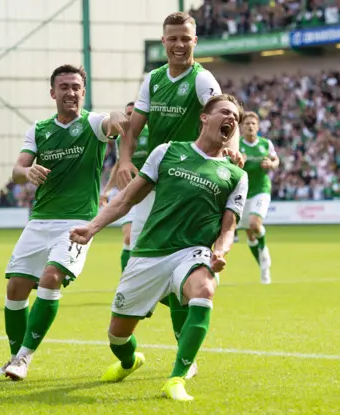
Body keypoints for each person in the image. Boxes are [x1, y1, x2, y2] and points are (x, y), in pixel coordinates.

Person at [71, 94, 248, 401]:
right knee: (118, 336)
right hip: (149, 253)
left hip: (192, 252)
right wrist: (92, 227)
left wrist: (220, 252)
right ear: (205, 118)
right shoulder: (167, 152)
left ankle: (177, 377)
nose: (231, 119)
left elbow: (228, 227)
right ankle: (129, 360)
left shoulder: (236, 175)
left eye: (236, 116)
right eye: (224, 112)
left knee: (204, 289)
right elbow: (127, 199)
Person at [115, 11, 244, 379]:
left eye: (185, 38)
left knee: (182, 271)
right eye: (172, 38)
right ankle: (127, 344)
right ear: (164, 41)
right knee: (134, 257)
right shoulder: (153, 80)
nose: (178, 45)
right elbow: (135, 126)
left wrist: (231, 148)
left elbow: (225, 113)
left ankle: (184, 353)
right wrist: (124, 159)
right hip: (155, 176)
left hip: (188, 185)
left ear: (195, 41)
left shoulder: (202, 78)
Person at [0, 64, 127, 380]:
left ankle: (24, 358)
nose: (71, 92)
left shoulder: (92, 124)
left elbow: (113, 121)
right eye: (64, 87)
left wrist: (118, 118)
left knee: (50, 278)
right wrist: (28, 173)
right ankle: (12, 359)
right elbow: (17, 170)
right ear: (53, 93)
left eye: (76, 86)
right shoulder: (38, 129)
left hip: (76, 222)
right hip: (39, 222)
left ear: (83, 91)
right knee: (16, 286)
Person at [100, 101, 149, 272]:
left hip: (150, 192)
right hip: (128, 191)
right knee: (128, 237)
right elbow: (119, 164)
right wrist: (106, 190)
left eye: (133, 113)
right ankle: (126, 281)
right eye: (127, 114)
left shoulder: (153, 134)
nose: (129, 117)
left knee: (144, 239)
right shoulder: (122, 137)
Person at [238, 112, 279, 284]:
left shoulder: (265, 144)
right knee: (250, 234)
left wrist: (271, 164)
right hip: (243, 191)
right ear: (242, 127)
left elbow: (276, 160)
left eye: (253, 123)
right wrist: (237, 163)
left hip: (261, 189)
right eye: (247, 123)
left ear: (258, 126)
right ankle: (263, 266)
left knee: (255, 224)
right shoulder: (237, 145)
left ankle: (265, 258)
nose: (250, 126)